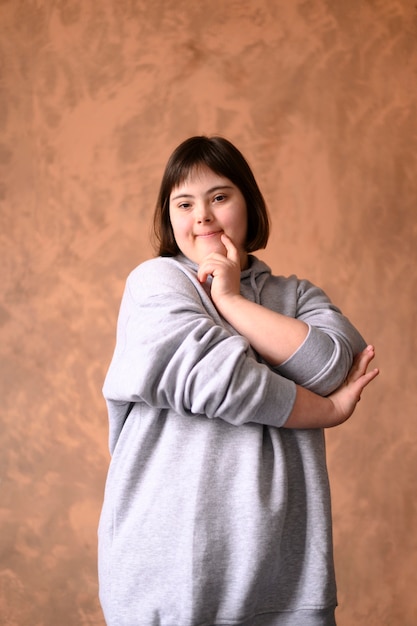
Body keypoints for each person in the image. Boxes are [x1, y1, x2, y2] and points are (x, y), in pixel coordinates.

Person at [98, 136, 379, 626]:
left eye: (220, 197)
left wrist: (231, 302)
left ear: (249, 203)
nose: (202, 215)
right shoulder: (157, 284)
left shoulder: (297, 295)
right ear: (169, 219)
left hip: (285, 577)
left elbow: (335, 365)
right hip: (168, 570)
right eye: (183, 203)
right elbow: (219, 382)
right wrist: (326, 410)